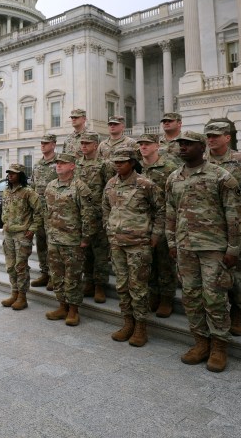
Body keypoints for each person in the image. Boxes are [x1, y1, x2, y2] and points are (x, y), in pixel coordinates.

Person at [165, 131, 241, 373]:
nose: (182, 148)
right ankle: (201, 342)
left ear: (202, 148)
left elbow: (235, 214)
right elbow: (170, 211)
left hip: (214, 249)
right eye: (180, 144)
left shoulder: (221, 176)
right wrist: (171, 242)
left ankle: (219, 345)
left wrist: (233, 248)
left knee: (215, 297)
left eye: (188, 144)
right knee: (191, 297)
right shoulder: (174, 178)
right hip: (185, 247)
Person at [204, 121, 241, 337]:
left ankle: (238, 311)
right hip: (208, 229)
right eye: (209, 136)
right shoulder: (201, 162)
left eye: (216, 136)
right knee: (213, 277)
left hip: (236, 228)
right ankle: (217, 313)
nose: (211, 139)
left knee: (237, 275)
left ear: (228, 137)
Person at [103, 149, 163, 347]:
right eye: (115, 162)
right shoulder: (111, 183)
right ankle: (127, 322)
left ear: (132, 162)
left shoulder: (145, 185)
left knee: (138, 287)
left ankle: (140, 327)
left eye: (122, 162)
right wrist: (109, 229)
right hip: (117, 243)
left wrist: (155, 235)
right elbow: (106, 209)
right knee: (122, 285)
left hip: (138, 244)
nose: (118, 165)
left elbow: (161, 210)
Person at [43, 153, 91, 327]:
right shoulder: (51, 186)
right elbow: (46, 211)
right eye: (58, 163)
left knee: (73, 277)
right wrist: (48, 232)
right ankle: (62, 305)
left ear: (72, 166)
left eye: (63, 163)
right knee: (57, 275)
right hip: (54, 239)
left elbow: (88, 214)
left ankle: (73, 310)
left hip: (73, 241)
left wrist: (86, 237)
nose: (59, 165)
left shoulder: (80, 187)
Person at [137, 133, 180, 317]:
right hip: (141, 221)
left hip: (164, 220)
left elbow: (176, 196)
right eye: (141, 144)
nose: (143, 147)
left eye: (147, 144)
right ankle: (153, 293)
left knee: (164, 261)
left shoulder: (170, 167)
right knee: (148, 260)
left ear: (157, 146)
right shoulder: (137, 168)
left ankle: (166, 298)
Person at [75, 132, 112, 303]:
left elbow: (109, 188)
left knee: (100, 253)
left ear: (95, 145)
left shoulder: (104, 165)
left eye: (87, 143)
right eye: (82, 143)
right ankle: (88, 281)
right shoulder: (77, 164)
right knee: (85, 252)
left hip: (98, 214)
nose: (83, 146)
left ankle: (100, 286)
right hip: (81, 215)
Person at [0, 163, 41, 311]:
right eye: (9, 173)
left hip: (22, 234)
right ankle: (14, 292)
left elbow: (39, 211)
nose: (11, 175)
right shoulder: (5, 192)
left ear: (21, 175)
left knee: (21, 266)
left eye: (14, 173)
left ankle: (22, 297)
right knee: (10, 266)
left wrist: (33, 229)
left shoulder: (28, 192)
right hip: (9, 234)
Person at [30, 134, 58, 290]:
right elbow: (33, 187)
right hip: (39, 211)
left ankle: (55, 275)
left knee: (52, 245)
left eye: (46, 143)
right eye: (42, 143)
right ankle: (45, 273)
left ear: (53, 145)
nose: (43, 145)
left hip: (54, 212)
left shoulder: (59, 163)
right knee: (41, 243)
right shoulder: (38, 165)